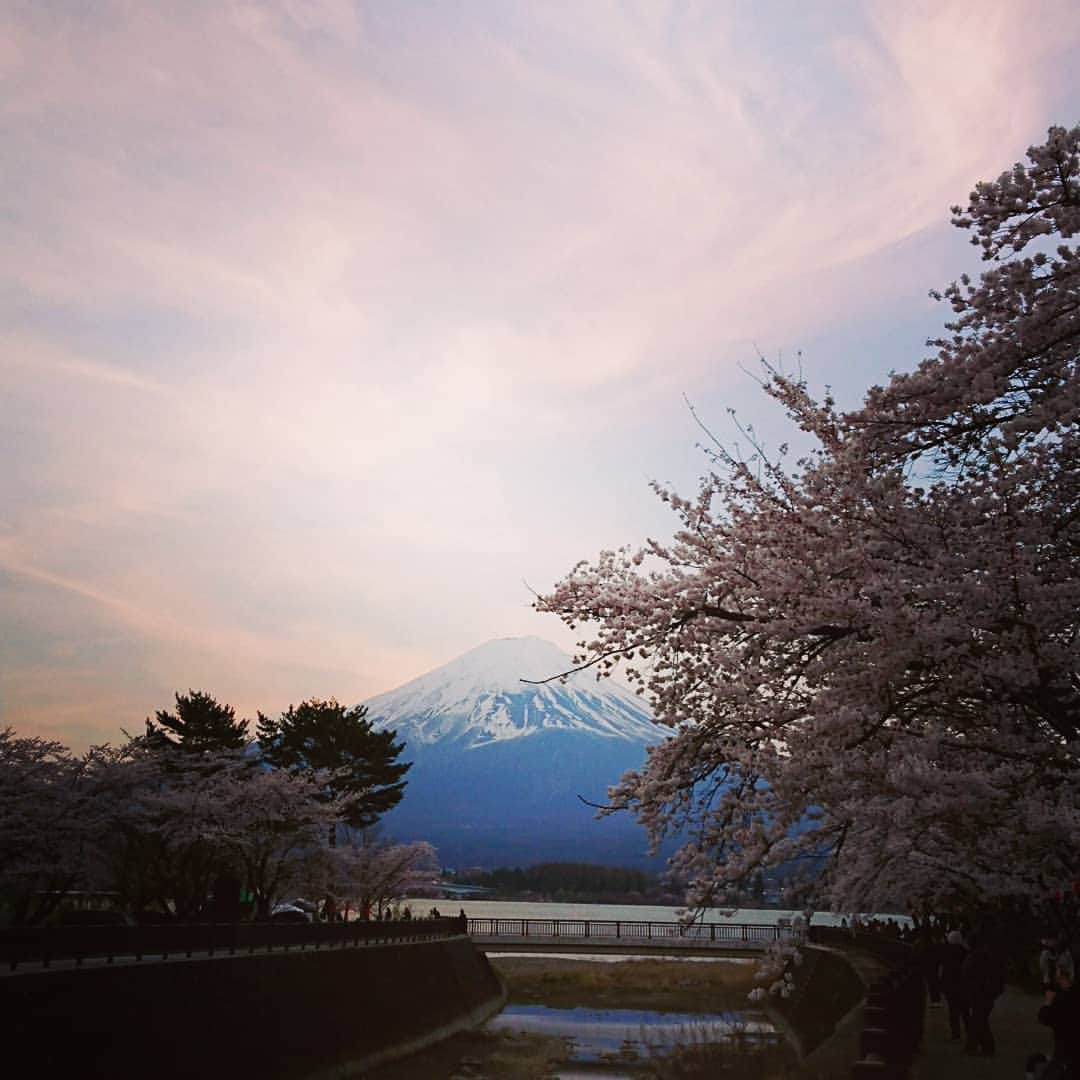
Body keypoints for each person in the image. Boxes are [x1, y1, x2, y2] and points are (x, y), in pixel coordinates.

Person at [961, 931, 1006, 1057]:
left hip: (980, 993)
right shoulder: (985, 956)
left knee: (978, 1020)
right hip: (985, 993)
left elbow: (969, 975)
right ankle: (984, 1046)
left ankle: (977, 1046)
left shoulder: (975, 957)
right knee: (980, 1020)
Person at [1037, 966, 1079, 1078]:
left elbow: (1044, 1018)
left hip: (1066, 1052)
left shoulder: (1063, 999)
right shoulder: (1071, 995)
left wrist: (1048, 1002)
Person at [939, 929, 969, 1040]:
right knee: (964, 1009)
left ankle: (955, 1033)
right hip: (963, 984)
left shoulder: (946, 952)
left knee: (953, 1011)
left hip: (950, 985)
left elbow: (944, 970)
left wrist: (942, 984)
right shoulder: (965, 952)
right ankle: (969, 1029)